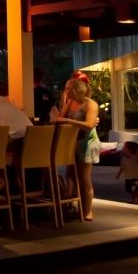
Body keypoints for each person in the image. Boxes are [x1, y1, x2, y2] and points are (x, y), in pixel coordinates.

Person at [50, 78, 100, 221]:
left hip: (87, 143)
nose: (64, 91)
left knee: (84, 178)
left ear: (74, 91)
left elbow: (89, 124)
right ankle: (72, 203)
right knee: (70, 174)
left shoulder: (90, 104)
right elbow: (60, 116)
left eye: (67, 89)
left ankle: (88, 210)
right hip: (73, 142)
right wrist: (63, 105)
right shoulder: (70, 102)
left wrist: (67, 121)